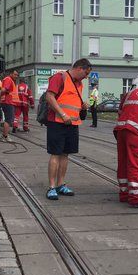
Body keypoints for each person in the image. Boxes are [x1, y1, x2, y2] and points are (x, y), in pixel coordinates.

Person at [45, 59, 92, 200]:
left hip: (72, 123)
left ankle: (61, 184)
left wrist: (82, 105)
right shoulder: (60, 77)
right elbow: (49, 96)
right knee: (55, 154)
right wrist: (62, 114)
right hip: (57, 122)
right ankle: (52, 187)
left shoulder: (79, 84)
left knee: (65, 154)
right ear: (78, 68)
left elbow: (71, 100)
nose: (86, 76)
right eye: (86, 73)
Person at [0, 70, 18, 142]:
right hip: (8, 102)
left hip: (7, 102)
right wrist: (0, 95)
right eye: (15, 74)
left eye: (17, 75)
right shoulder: (8, 79)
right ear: (11, 74)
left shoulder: (8, 80)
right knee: (9, 120)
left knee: (8, 119)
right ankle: (5, 136)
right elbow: (4, 89)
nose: (16, 76)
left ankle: (4, 135)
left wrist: (0, 95)